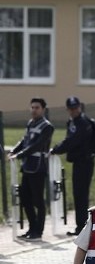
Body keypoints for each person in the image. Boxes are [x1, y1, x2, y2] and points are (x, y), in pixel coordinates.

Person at [8, 97, 54, 241]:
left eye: (37, 108)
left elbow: (37, 145)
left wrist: (20, 155)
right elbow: (25, 140)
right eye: (32, 107)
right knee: (25, 198)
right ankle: (31, 228)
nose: (34, 110)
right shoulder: (30, 123)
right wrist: (15, 150)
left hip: (38, 167)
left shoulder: (47, 126)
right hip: (27, 167)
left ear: (43, 109)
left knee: (38, 200)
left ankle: (38, 231)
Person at [51, 96, 94, 235]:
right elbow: (70, 140)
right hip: (79, 161)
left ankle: (82, 227)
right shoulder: (73, 121)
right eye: (71, 108)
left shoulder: (81, 122)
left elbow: (71, 141)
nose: (73, 110)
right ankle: (81, 225)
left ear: (79, 107)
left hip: (84, 162)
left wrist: (55, 149)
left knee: (81, 193)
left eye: (75, 108)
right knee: (79, 193)